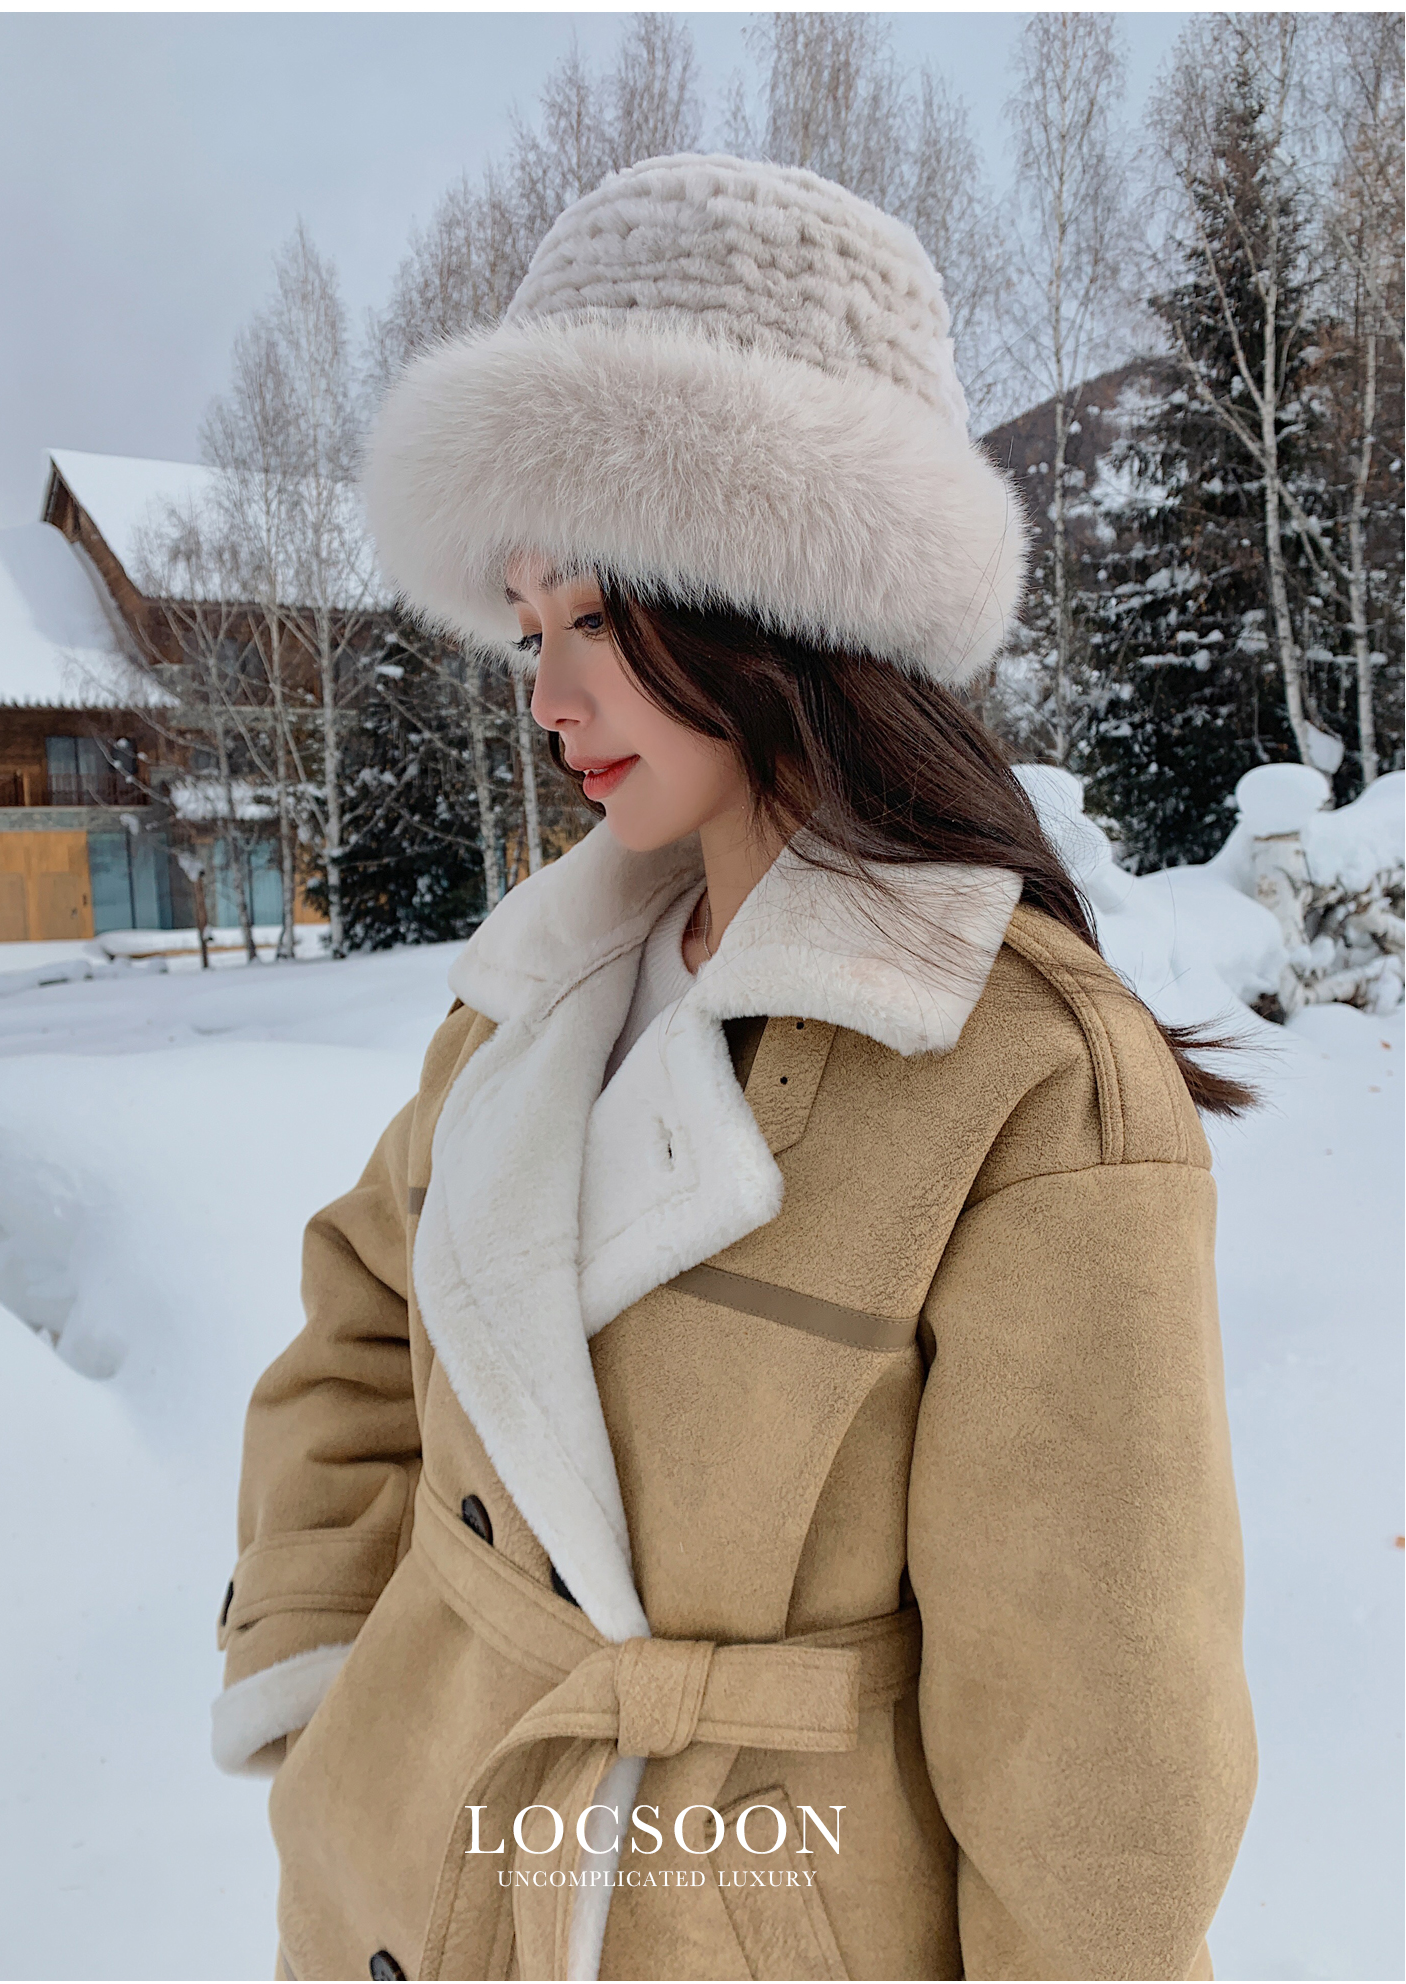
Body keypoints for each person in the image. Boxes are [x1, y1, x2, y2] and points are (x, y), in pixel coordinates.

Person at [212, 155, 1257, 1983]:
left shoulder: (1029, 1087)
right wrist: (327, 1685)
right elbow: (362, 1314)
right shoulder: (536, 992)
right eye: (526, 629)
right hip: (409, 1878)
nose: (547, 699)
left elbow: (1102, 1773)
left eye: (592, 617)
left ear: (762, 592)